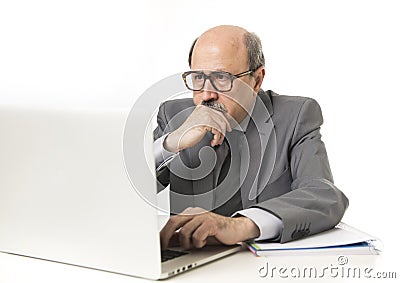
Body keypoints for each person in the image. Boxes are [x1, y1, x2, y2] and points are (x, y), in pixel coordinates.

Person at [153, 25, 349, 250]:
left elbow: (325, 197)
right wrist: (171, 143)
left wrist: (239, 226)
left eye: (222, 78)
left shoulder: (296, 116)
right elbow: (120, 191)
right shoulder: (173, 116)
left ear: (257, 80)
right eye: (198, 77)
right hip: (187, 264)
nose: (206, 95)